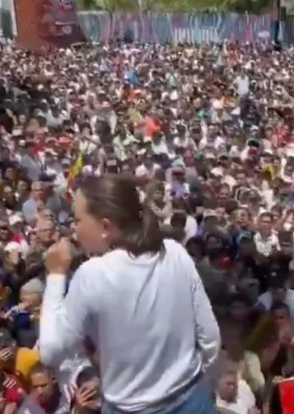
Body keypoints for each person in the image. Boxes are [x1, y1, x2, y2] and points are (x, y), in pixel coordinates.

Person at [38, 175, 221, 413]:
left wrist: (55, 274)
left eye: (79, 220)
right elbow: (210, 337)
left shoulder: (92, 274)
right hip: (192, 400)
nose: (74, 228)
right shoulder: (176, 253)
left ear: (105, 227)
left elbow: (50, 352)